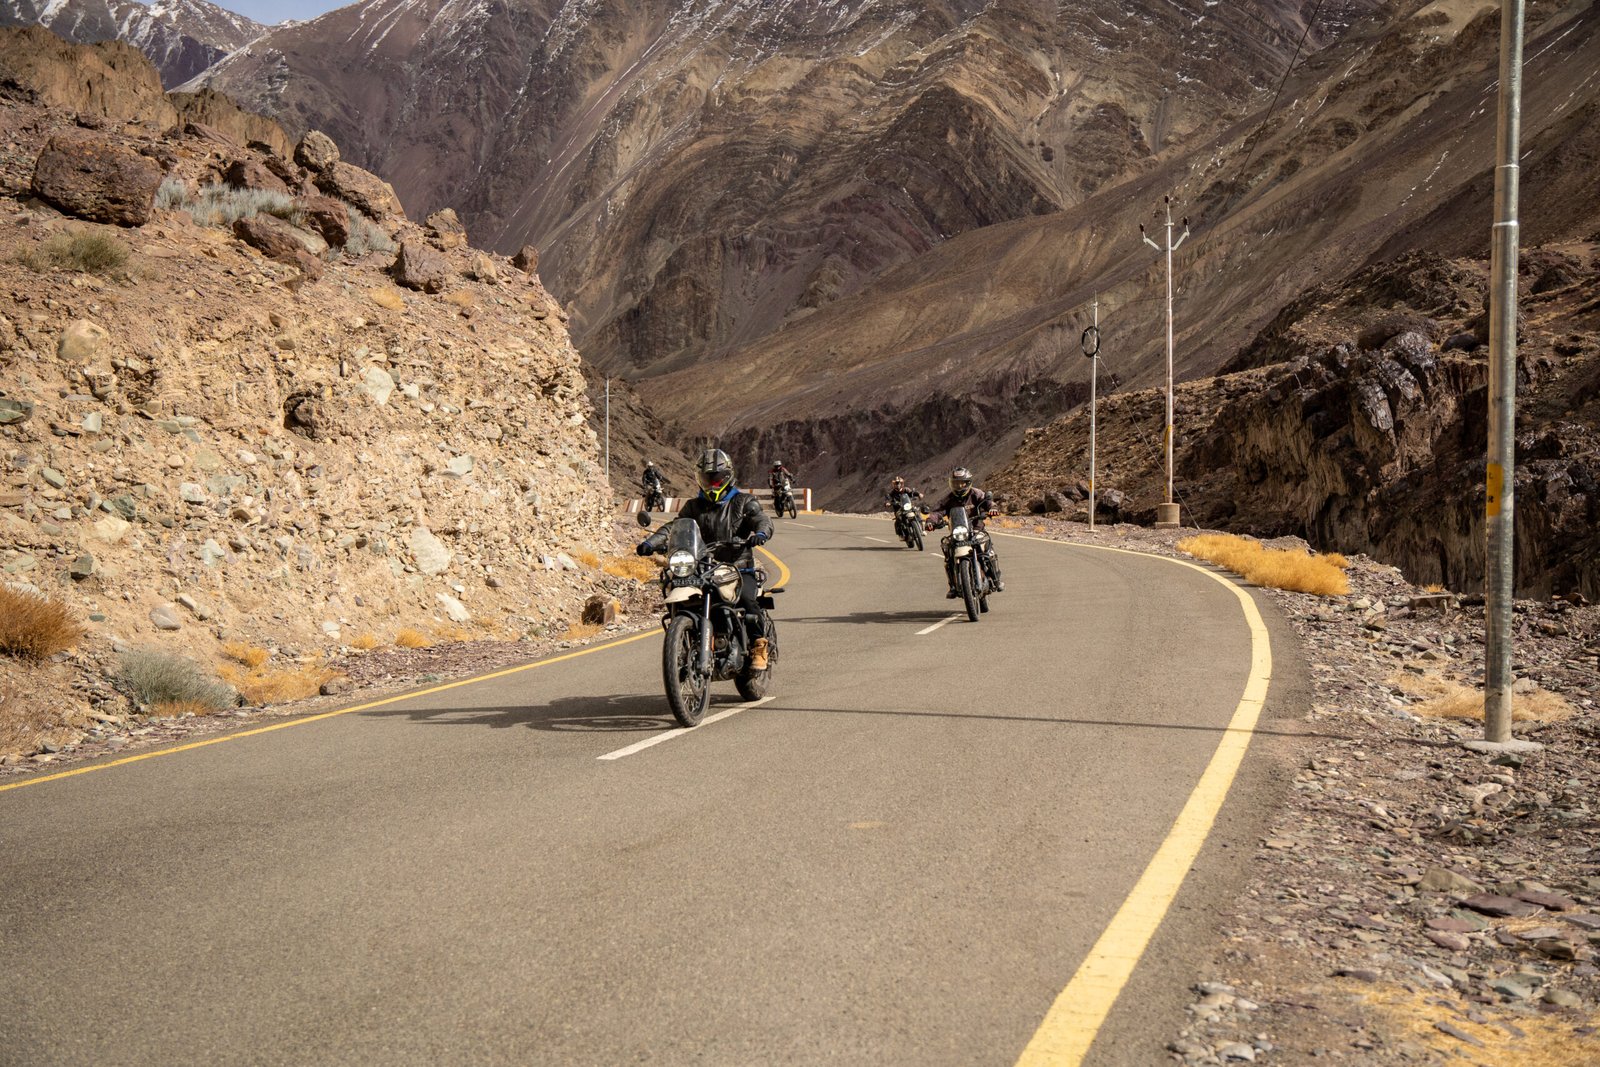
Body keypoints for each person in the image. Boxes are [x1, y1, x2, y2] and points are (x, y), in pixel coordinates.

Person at [638, 449, 775, 669]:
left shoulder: (743, 502)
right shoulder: (693, 506)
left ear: (727, 476)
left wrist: (760, 533)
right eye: (706, 479)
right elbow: (674, 527)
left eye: (716, 479)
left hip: (738, 567)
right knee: (678, 588)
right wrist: (650, 543)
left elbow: (761, 519)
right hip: (702, 568)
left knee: (747, 600)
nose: (711, 484)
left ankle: (759, 645)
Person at [924, 466, 1004, 596]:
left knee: (988, 552)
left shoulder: (976, 494)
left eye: (962, 483)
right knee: (948, 554)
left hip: (976, 530)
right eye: (956, 483)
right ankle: (952, 586)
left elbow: (987, 501)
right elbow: (938, 512)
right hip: (958, 533)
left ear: (968, 483)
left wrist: (992, 508)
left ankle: (996, 579)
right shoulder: (948, 498)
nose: (959, 486)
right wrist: (930, 521)